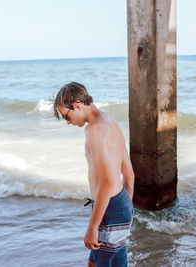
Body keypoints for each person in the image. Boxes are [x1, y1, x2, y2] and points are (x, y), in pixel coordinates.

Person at [53, 82, 135, 267]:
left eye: (66, 115)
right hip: (119, 204)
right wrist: (127, 210)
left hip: (110, 206)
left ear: (77, 105)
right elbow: (129, 175)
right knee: (96, 263)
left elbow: (107, 181)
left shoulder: (94, 130)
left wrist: (92, 227)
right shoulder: (112, 124)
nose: (67, 121)